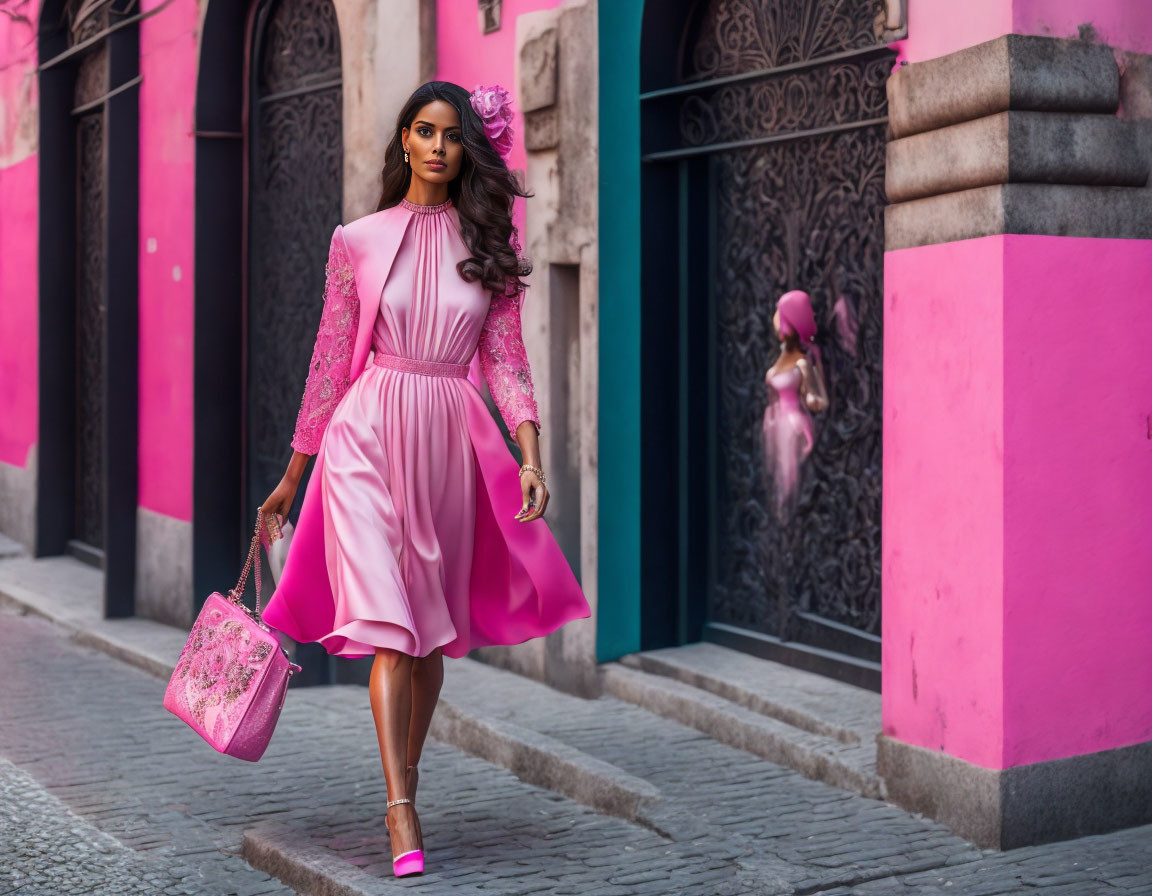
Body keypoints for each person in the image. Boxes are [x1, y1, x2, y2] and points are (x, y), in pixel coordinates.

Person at [258, 81, 591, 877]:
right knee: (390, 621)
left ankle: (406, 781)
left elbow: (505, 362)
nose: (439, 147)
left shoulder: (488, 243)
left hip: (448, 436)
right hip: (367, 433)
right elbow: (328, 364)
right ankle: (400, 809)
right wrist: (292, 477)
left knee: (429, 632)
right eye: (425, 131)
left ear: (464, 147)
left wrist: (532, 455)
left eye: (452, 135)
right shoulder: (359, 241)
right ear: (404, 140)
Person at [761, 289, 829, 520]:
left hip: (794, 425)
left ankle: (791, 514)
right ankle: (783, 516)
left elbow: (817, 398)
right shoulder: (782, 362)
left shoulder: (802, 362)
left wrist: (811, 401)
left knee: (791, 475)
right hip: (778, 425)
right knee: (777, 474)